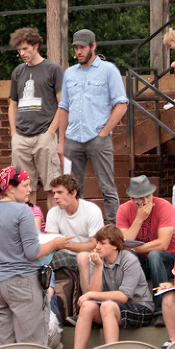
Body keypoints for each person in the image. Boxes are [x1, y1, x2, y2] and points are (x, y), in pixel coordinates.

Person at [0, 165, 72, 346]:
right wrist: (55, 243)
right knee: (31, 348)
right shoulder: (23, 211)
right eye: (26, 185)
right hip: (23, 284)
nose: (30, 190)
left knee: (5, 348)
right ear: (11, 187)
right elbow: (33, 252)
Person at [57, 28, 128, 225]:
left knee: (107, 187)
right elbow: (63, 108)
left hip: (98, 138)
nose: (78, 52)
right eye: (76, 48)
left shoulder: (109, 70)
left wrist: (104, 132)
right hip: (72, 140)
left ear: (93, 46)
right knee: (71, 189)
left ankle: (114, 230)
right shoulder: (69, 73)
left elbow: (121, 104)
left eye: (82, 48)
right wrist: (61, 142)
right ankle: (76, 229)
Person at [70, 225, 153, 349]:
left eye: (102, 243)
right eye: (97, 242)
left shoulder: (129, 260)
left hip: (140, 307)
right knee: (87, 307)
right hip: (113, 308)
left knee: (107, 306)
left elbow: (123, 296)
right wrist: (98, 267)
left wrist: (90, 295)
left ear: (115, 246)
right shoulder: (97, 260)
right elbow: (94, 292)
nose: (97, 247)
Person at [8, 27, 64, 211]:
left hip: (44, 136)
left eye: (25, 48)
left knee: (53, 187)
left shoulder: (53, 69)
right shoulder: (18, 72)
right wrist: (14, 134)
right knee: (23, 189)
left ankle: (53, 231)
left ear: (36, 45)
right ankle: (28, 230)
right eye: (19, 50)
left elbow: (63, 104)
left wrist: (51, 131)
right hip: (21, 138)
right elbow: (12, 105)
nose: (22, 53)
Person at [114, 175, 175, 327]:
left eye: (148, 196)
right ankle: (125, 308)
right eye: (140, 198)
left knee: (155, 255)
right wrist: (138, 219)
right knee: (123, 257)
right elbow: (122, 244)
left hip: (169, 260)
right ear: (131, 197)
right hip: (142, 260)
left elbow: (163, 244)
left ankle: (161, 311)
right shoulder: (123, 210)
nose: (145, 202)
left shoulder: (164, 206)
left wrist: (135, 248)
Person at [46, 174, 104, 271]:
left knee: (83, 258)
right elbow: (52, 243)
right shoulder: (53, 212)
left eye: (60, 192)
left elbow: (95, 244)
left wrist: (67, 244)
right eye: (54, 193)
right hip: (64, 256)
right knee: (49, 258)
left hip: (90, 256)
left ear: (73, 193)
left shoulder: (91, 210)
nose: (55, 197)